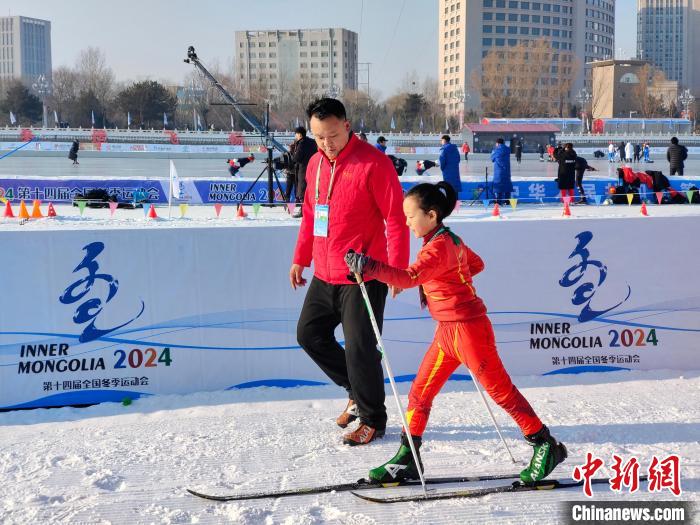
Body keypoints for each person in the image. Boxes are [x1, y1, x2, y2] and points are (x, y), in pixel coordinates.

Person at [344, 181, 567, 485]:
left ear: (432, 216)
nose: (406, 222)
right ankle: (408, 457)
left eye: (411, 216)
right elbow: (475, 264)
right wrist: (447, 281)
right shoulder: (448, 240)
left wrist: (369, 265)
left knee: (502, 392)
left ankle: (545, 445)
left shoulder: (438, 247)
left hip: (469, 332)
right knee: (420, 393)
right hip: (448, 332)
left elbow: (409, 277)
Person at [290, 98, 409, 446]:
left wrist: (396, 270)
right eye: (319, 137)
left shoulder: (374, 163)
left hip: (363, 276)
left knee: (361, 349)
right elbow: (312, 216)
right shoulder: (314, 164)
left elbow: (396, 220)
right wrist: (301, 258)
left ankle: (373, 419)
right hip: (325, 273)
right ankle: (355, 391)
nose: (327, 143)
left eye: (332, 135)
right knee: (309, 335)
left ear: (346, 124)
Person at [291, 126, 317, 218]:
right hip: (313, 169)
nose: (295, 136)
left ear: (299, 134)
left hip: (303, 170)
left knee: (302, 192)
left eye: (296, 134)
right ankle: (311, 211)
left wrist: (292, 152)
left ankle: (303, 211)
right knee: (312, 192)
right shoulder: (313, 142)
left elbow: (297, 158)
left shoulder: (301, 143)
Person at [490, 138, 512, 204]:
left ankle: (498, 201)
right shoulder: (507, 149)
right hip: (507, 170)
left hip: (499, 170)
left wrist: (493, 152)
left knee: (499, 185)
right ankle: (507, 200)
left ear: (498, 143)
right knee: (507, 184)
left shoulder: (497, 150)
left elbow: (492, 158)